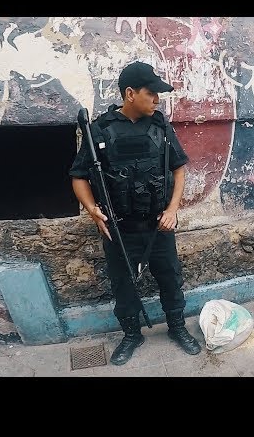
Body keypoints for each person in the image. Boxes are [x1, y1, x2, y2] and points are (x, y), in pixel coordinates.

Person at [69, 61, 201, 365]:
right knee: (123, 285)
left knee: (170, 279)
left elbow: (178, 169)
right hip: (119, 229)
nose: (157, 99)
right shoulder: (99, 130)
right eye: (151, 92)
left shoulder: (160, 126)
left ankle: (177, 328)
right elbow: (78, 176)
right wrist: (92, 210)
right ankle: (131, 335)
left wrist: (173, 209)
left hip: (158, 226)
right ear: (130, 93)